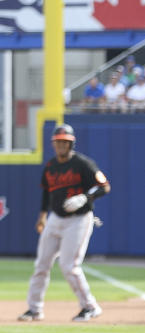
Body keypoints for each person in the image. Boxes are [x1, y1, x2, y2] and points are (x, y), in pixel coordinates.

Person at [19, 124, 111, 322]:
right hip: (55, 218)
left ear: (71, 143)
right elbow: (46, 192)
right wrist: (42, 216)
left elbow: (104, 186)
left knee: (69, 266)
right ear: (54, 144)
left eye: (65, 142)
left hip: (78, 219)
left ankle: (90, 306)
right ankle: (34, 309)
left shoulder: (83, 164)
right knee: (41, 264)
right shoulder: (51, 166)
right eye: (58, 142)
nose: (61, 145)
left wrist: (86, 197)